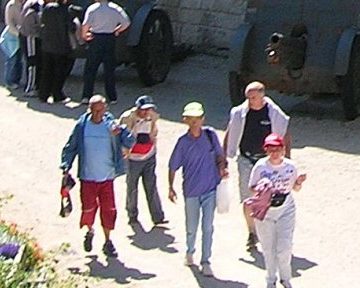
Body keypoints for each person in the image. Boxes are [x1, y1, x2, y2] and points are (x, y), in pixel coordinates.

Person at [224, 82, 290, 252]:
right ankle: (252, 232)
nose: (250, 101)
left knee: (271, 199)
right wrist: (223, 157)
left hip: (267, 162)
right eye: (248, 97)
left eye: (253, 97)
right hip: (246, 159)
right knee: (248, 199)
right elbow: (230, 131)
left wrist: (287, 160)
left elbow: (284, 133)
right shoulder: (239, 112)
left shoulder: (274, 113)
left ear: (262, 96)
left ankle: (268, 233)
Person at [59, 94, 125, 260]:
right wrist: (66, 166)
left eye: (101, 111)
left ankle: (108, 241)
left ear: (105, 110)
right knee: (88, 208)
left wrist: (122, 132)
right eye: (95, 111)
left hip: (107, 176)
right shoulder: (82, 126)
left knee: (109, 210)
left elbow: (129, 141)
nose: (98, 115)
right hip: (88, 177)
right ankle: (90, 231)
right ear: (90, 110)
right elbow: (71, 146)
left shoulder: (111, 125)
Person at [166, 101, 228, 274]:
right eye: (191, 119)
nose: (194, 123)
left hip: (210, 189)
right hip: (191, 191)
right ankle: (190, 251)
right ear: (185, 120)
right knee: (191, 227)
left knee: (208, 226)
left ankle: (205, 261)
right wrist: (170, 187)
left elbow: (220, 155)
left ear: (203, 119)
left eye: (197, 119)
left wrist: (222, 168)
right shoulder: (183, 142)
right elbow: (173, 166)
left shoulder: (210, 135)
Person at [248, 134, 306, 288]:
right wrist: (262, 188)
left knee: (285, 247)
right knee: (268, 248)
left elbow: (295, 189)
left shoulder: (290, 167)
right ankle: (270, 281)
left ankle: (286, 280)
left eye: (278, 149)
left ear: (283, 150)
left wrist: (299, 182)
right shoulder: (260, 167)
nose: (275, 153)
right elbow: (251, 188)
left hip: (285, 208)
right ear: (266, 150)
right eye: (271, 149)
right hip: (265, 210)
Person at [117, 95, 166, 228]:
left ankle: (158, 217)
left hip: (149, 156)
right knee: (132, 187)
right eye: (143, 109)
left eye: (148, 109)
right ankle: (132, 215)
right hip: (133, 158)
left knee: (151, 185)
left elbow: (154, 131)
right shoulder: (128, 118)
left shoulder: (153, 116)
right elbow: (120, 137)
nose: (146, 112)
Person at [80, 0, 131, 103]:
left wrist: (85, 35)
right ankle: (112, 97)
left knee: (90, 68)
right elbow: (126, 22)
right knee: (109, 69)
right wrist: (117, 30)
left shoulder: (92, 9)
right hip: (109, 38)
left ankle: (86, 96)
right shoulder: (115, 8)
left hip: (96, 38)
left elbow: (85, 25)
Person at [37, 0, 77, 104]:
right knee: (59, 72)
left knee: (46, 71)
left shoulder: (48, 8)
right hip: (61, 47)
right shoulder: (66, 11)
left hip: (47, 45)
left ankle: (43, 94)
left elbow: (42, 21)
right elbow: (71, 28)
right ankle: (57, 95)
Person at [1, 0, 28, 92]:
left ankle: (17, 80)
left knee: (19, 60)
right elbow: (9, 22)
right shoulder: (12, 5)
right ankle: (9, 81)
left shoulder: (23, 4)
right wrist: (17, 33)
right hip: (12, 35)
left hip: (21, 34)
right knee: (11, 59)